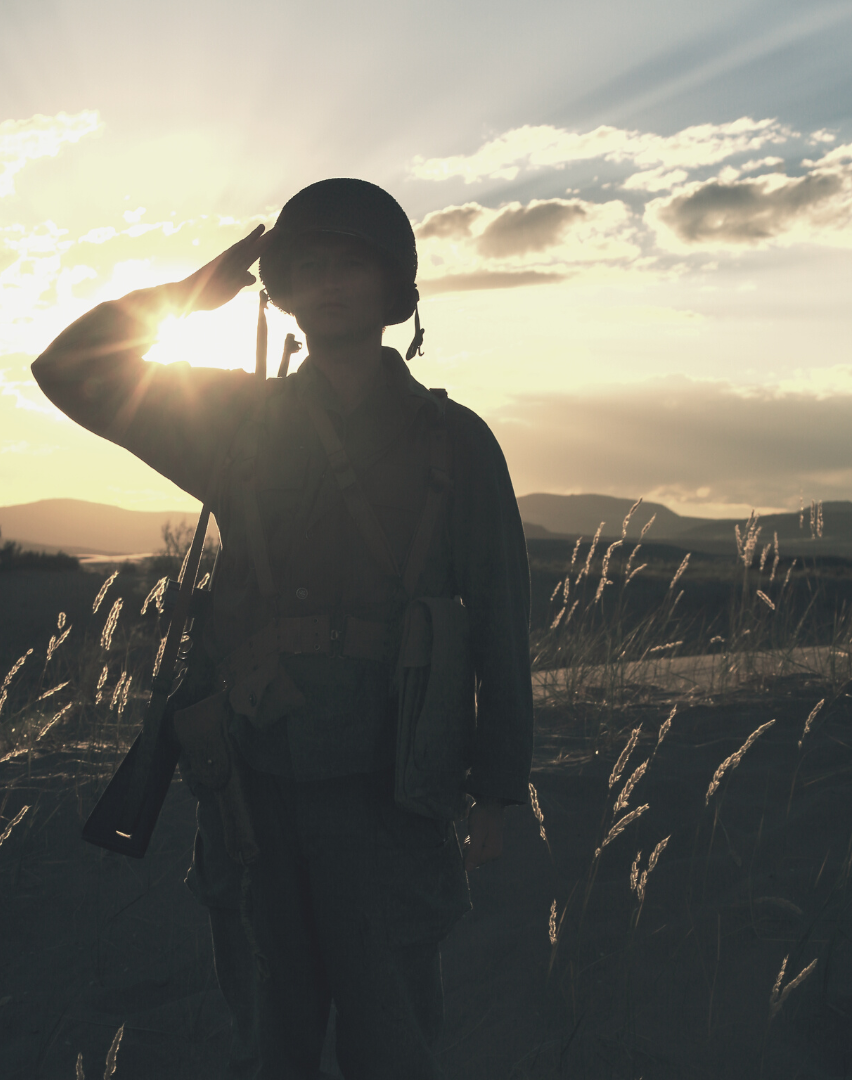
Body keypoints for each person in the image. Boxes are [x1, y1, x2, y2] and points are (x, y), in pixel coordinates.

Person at [31, 178, 534, 1080]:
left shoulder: (456, 443)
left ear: (395, 290)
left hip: (392, 788)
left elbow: (501, 617)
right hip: (254, 784)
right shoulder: (234, 421)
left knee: (396, 1045)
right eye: (310, 266)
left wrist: (496, 788)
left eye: (354, 264)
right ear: (285, 292)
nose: (332, 282)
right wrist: (191, 294)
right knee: (271, 1044)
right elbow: (68, 371)